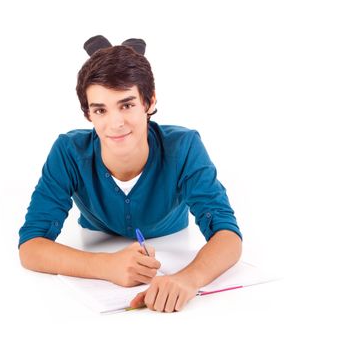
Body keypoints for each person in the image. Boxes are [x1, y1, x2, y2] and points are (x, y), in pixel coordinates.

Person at [18, 35, 242, 313]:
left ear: (149, 102)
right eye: (100, 109)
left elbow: (229, 236)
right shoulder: (68, 151)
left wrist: (187, 279)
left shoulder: (184, 146)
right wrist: (105, 265)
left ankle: (123, 56)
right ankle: (116, 56)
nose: (116, 124)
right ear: (88, 114)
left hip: (170, 234)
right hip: (98, 236)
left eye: (127, 105)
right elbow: (30, 246)